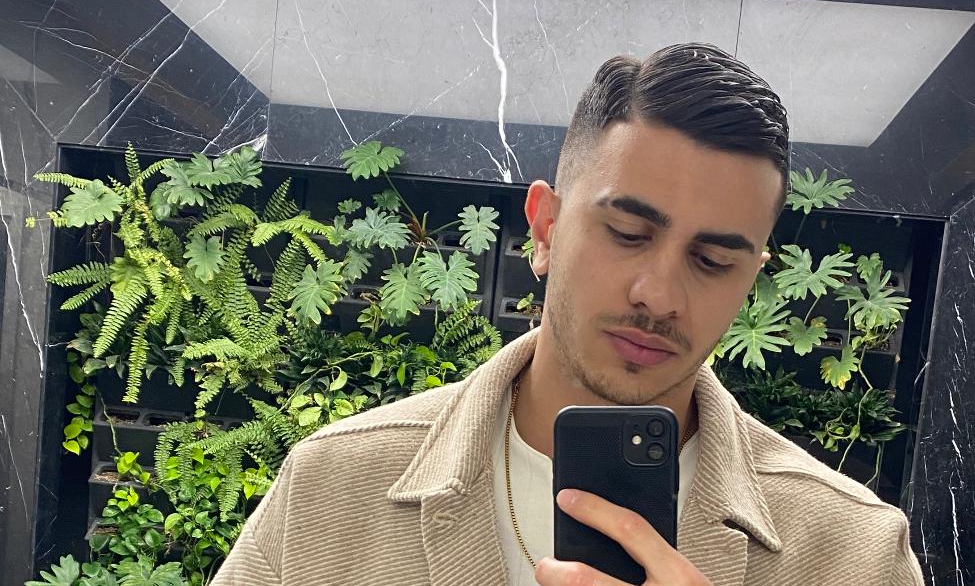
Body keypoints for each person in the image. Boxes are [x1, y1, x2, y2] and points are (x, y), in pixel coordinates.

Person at [211, 43, 925, 586]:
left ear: (749, 281)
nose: (659, 295)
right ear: (545, 228)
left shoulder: (853, 553)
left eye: (712, 261)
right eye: (628, 233)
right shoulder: (332, 490)